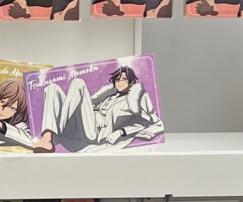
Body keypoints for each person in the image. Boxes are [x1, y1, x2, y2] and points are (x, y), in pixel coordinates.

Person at [32, 63, 163, 153]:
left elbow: (146, 122)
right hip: (86, 126)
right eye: (117, 79)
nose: (119, 82)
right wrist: (96, 113)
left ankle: (55, 134)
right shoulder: (109, 95)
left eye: (124, 79)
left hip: (98, 134)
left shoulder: (135, 99)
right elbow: (90, 107)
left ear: (131, 81)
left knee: (78, 83)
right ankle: (47, 138)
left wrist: (120, 132)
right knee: (52, 88)